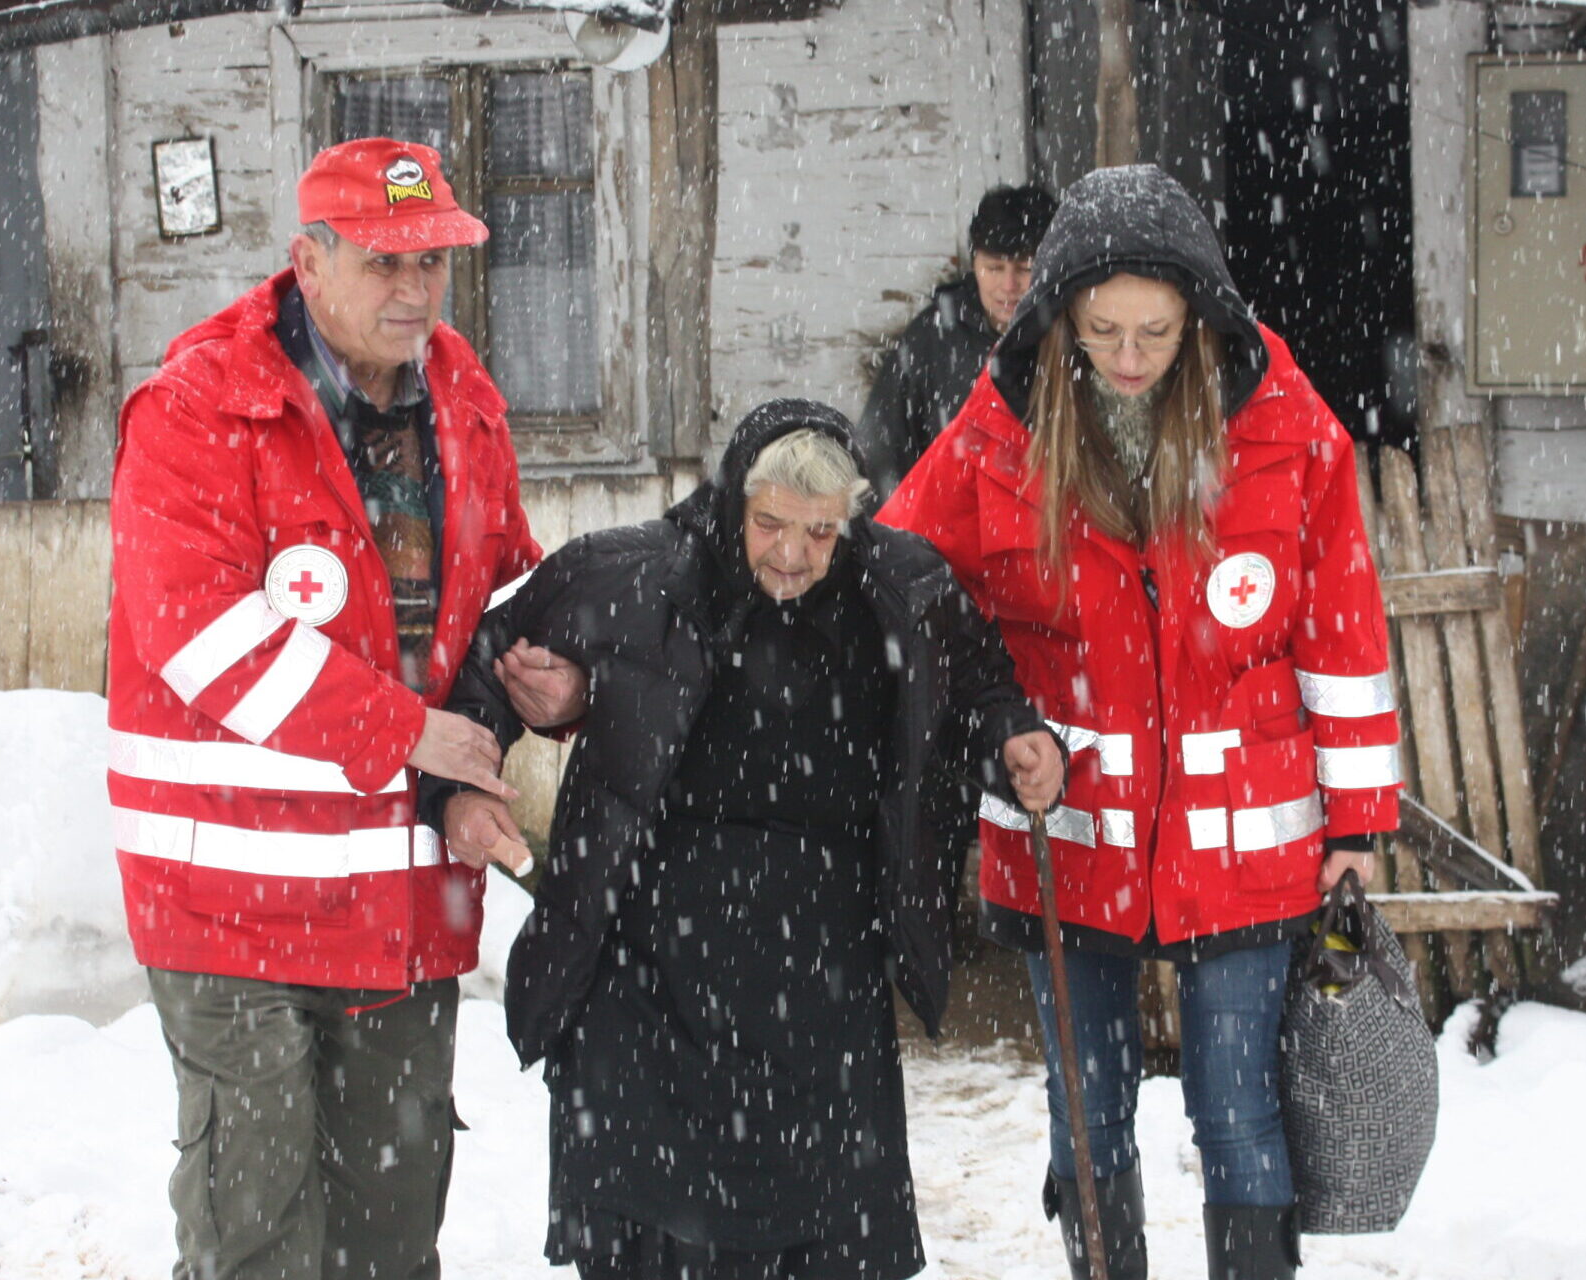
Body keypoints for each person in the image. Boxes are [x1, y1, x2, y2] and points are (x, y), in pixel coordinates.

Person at [877, 165, 1404, 1280]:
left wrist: (1356, 823)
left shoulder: (1286, 429)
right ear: (1058, 316)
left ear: (1201, 316)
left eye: (1154, 331)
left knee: (1240, 1114)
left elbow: (1343, 636)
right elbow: (902, 580)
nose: (1126, 355)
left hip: (1244, 845)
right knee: (1087, 1114)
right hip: (1071, 840)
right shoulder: (996, 431)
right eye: (1100, 328)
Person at [424, 400, 1065, 1280]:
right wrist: (460, 785)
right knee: (657, 1240)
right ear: (734, 504)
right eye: (770, 524)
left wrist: (1013, 740)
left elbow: (979, 684)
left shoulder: (901, 589)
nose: (794, 555)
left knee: (822, 1241)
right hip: (650, 959)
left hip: (821, 969)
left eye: (820, 532)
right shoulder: (636, 576)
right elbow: (489, 656)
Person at [109, 136, 587, 1280]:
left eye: (434, 261)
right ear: (307, 262)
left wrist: (546, 693)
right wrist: (407, 734)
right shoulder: (198, 405)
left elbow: (500, 593)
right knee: (261, 1238)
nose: (415, 290)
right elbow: (203, 637)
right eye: (384, 261)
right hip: (230, 902)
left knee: (390, 1234)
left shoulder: (462, 393)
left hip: (402, 900)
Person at [855, 183, 1057, 497]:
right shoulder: (933, 338)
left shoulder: (1074, 335)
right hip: (949, 532)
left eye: (1025, 269)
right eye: (993, 268)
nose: (1008, 285)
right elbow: (882, 455)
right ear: (974, 262)